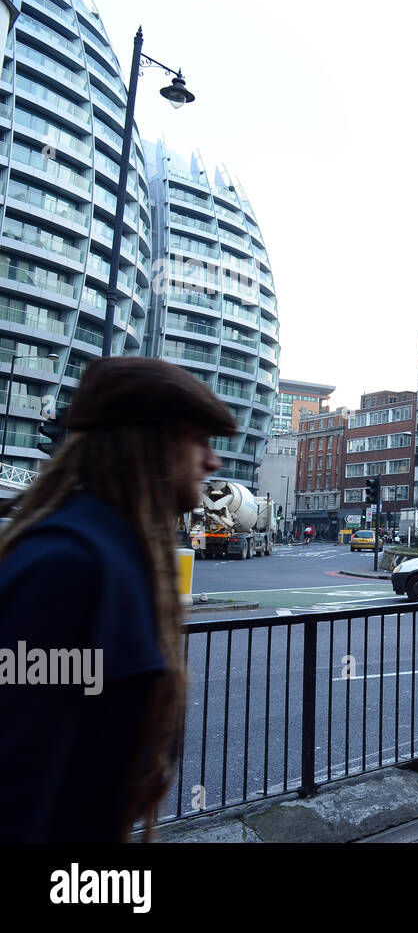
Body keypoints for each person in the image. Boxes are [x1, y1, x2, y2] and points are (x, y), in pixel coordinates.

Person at [0, 357, 236, 842]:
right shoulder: (66, 567)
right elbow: (18, 782)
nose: (212, 462)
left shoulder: (114, 556)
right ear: (150, 444)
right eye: (198, 439)